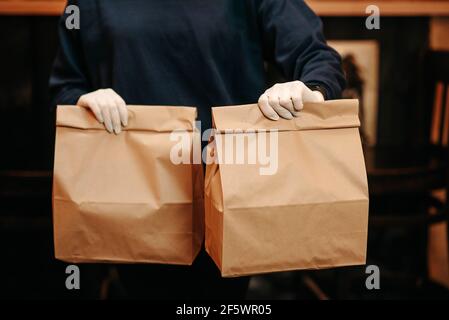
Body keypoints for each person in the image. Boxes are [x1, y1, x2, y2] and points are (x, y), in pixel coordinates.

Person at [50, 0, 345, 299]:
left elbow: (318, 59)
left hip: (231, 187)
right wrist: (83, 102)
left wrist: (308, 91)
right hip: (129, 193)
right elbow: (65, 87)